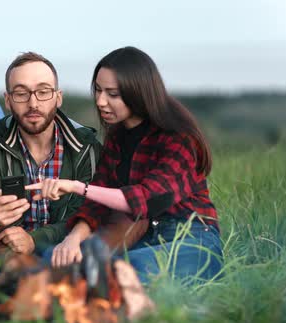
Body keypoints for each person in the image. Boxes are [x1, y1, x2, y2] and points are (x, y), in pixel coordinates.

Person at [28, 46, 223, 283]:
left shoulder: (179, 138)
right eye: (98, 90)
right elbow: (96, 205)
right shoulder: (118, 137)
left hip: (191, 238)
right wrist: (72, 240)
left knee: (121, 271)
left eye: (112, 94)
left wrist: (77, 187)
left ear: (138, 92)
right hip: (140, 237)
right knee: (57, 257)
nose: (100, 101)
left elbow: (146, 199)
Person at [0, 52, 102, 256]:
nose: (33, 104)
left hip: (65, 251)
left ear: (58, 97)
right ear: (8, 101)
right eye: (21, 94)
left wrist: (34, 240)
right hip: (7, 251)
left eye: (43, 92)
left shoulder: (86, 148)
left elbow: (86, 214)